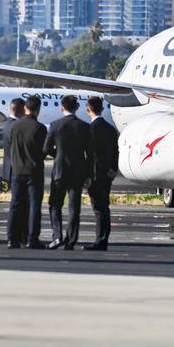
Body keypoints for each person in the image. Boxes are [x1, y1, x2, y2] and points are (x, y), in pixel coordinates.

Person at [44, 95, 90, 250]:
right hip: (78, 171)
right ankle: (71, 241)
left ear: (61, 108)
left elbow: (46, 149)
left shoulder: (55, 125)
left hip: (60, 170)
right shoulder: (84, 127)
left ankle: (57, 236)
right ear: (77, 108)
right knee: (74, 207)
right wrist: (89, 174)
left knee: (54, 204)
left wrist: (58, 154)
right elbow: (90, 153)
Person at [5, 96, 47, 249]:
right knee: (34, 206)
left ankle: (12, 239)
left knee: (15, 205)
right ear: (38, 109)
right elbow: (43, 151)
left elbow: (10, 147)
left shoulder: (14, 127)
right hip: (34, 172)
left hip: (17, 171)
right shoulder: (40, 128)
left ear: (25, 108)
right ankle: (32, 239)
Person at [84, 96, 119, 251]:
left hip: (95, 175)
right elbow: (115, 152)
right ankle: (103, 238)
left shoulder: (90, 130)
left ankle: (100, 240)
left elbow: (91, 155)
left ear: (88, 110)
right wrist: (113, 169)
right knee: (104, 208)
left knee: (98, 209)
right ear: (102, 109)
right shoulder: (110, 129)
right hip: (107, 175)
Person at [1, 98, 25, 181]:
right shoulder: (18, 126)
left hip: (8, 167)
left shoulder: (6, 123)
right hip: (17, 169)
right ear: (23, 110)